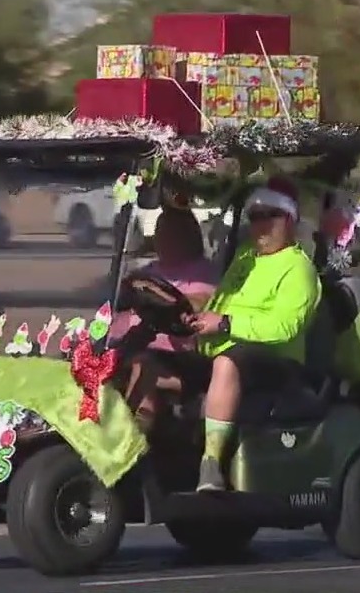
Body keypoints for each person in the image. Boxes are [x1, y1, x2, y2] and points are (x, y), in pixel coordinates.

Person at [186, 178, 322, 491]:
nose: (260, 225)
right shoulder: (246, 258)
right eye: (255, 217)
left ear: (288, 219)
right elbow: (222, 301)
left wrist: (224, 324)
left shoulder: (298, 268)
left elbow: (285, 327)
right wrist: (194, 313)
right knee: (152, 362)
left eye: (269, 216)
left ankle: (211, 463)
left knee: (227, 363)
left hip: (276, 361)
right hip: (231, 348)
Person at [110, 208, 219, 428]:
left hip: (177, 356)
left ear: (189, 237)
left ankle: (130, 436)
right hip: (126, 345)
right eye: (160, 232)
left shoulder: (203, 272)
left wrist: (171, 303)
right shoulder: (146, 271)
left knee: (143, 366)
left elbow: (200, 301)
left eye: (172, 233)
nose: (163, 239)